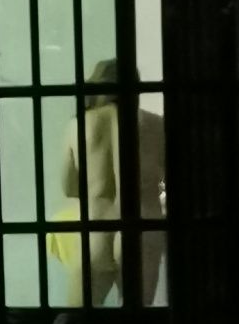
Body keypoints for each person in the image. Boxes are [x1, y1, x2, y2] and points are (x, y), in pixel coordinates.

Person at [48, 59, 165, 308]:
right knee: (135, 321)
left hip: (95, 228)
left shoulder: (78, 125)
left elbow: (69, 187)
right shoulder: (156, 125)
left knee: (78, 321)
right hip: (142, 228)